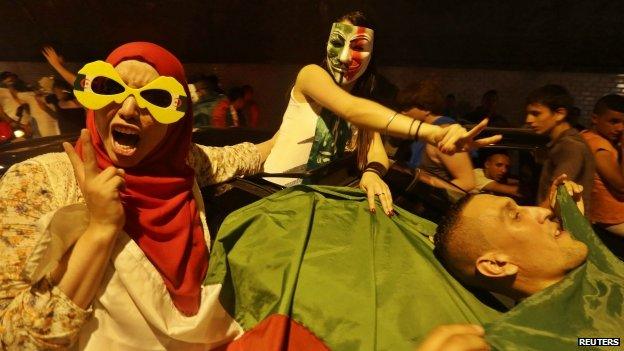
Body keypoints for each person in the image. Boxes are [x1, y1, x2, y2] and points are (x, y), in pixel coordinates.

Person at [0, 42, 276, 350]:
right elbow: (16, 340)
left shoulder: (183, 164)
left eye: (155, 97)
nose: (128, 109)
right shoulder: (37, 181)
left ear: (177, 123)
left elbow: (243, 156)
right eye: (111, 88)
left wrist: (305, 101)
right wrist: (101, 228)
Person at [263, 11, 500, 215]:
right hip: (275, 198)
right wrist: (433, 133)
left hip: (318, 203)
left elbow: (376, 150)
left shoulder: (365, 107)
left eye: (358, 47)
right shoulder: (311, 74)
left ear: (372, 54)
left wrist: (372, 173)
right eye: (337, 43)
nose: (345, 56)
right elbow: (350, 109)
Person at [396, 80, 476, 193]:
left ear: (426, 109)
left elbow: (467, 182)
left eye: (407, 108)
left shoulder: (445, 133)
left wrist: (428, 190)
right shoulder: (421, 132)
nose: (402, 113)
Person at [525, 84, 594, 212]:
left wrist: (534, 219)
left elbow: (556, 195)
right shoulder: (561, 142)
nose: (528, 119)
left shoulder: (570, 145)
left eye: (536, 114)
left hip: (563, 228)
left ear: (559, 114)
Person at [580, 94, 624, 236]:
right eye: (614, 121)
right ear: (595, 118)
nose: (620, 128)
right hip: (613, 217)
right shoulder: (599, 146)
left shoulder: (586, 135)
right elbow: (621, 185)